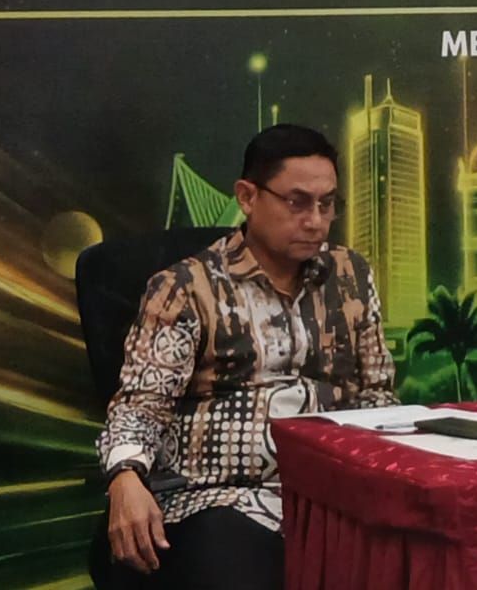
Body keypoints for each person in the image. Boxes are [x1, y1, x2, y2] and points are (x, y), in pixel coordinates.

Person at [96, 124, 396, 589]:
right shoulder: (185, 288)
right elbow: (140, 406)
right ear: (247, 197)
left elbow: (377, 394)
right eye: (297, 202)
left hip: (331, 493)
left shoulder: (350, 275)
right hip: (214, 495)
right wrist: (125, 477)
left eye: (327, 203)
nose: (316, 221)